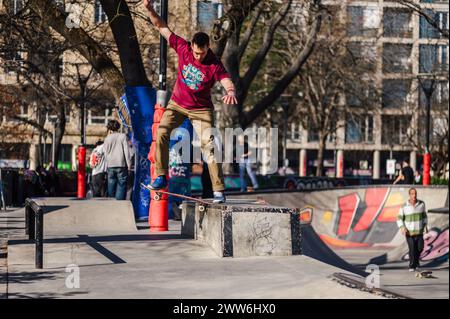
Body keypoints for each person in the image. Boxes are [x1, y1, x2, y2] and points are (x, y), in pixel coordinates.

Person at [144, 0, 238, 203]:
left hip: (201, 110)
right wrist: (150, 9)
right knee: (161, 132)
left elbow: (225, 79)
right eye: (196, 52)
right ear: (192, 47)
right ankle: (161, 176)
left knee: (209, 147)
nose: (198, 56)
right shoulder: (183, 47)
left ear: (207, 48)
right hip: (177, 104)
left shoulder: (214, 64)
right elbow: (162, 27)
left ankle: (219, 190)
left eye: (202, 53)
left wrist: (230, 90)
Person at [397, 188, 428, 272]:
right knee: (412, 249)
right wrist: (402, 227)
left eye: (415, 194)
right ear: (409, 195)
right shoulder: (404, 206)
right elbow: (399, 218)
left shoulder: (421, 204)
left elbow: (424, 215)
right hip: (409, 232)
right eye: (412, 194)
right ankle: (412, 265)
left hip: (419, 231)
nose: (414, 196)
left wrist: (425, 225)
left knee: (420, 248)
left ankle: (417, 262)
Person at [103, 120, 132, 200]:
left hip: (111, 165)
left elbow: (105, 153)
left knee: (111, 183)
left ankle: (111, 201)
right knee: (122, 184)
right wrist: (129, 164)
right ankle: (119, 203)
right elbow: (126, 150)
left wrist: (107, 164)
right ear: (118, 127)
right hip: (121, 164)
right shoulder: (123, 136)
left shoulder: (107, 138)